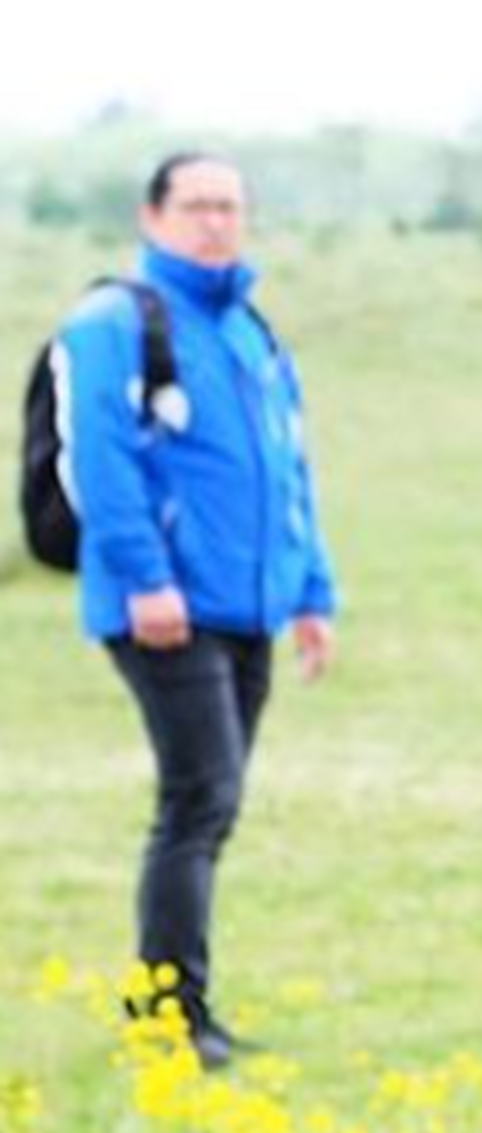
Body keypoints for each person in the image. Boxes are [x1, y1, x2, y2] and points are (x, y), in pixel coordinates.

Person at [55, 152, 337, 1068]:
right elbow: (101, 459)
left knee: (209, 803)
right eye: (197, 205)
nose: (216, 221)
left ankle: (185, 1009)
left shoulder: (251, 332)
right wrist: (144, 579)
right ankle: (170, 1019)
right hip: (164, 609)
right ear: (152, 215)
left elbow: (290, 472)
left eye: (230, 206)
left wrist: (311, 593)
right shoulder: (111, 322)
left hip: (248, 604)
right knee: (199, 797)